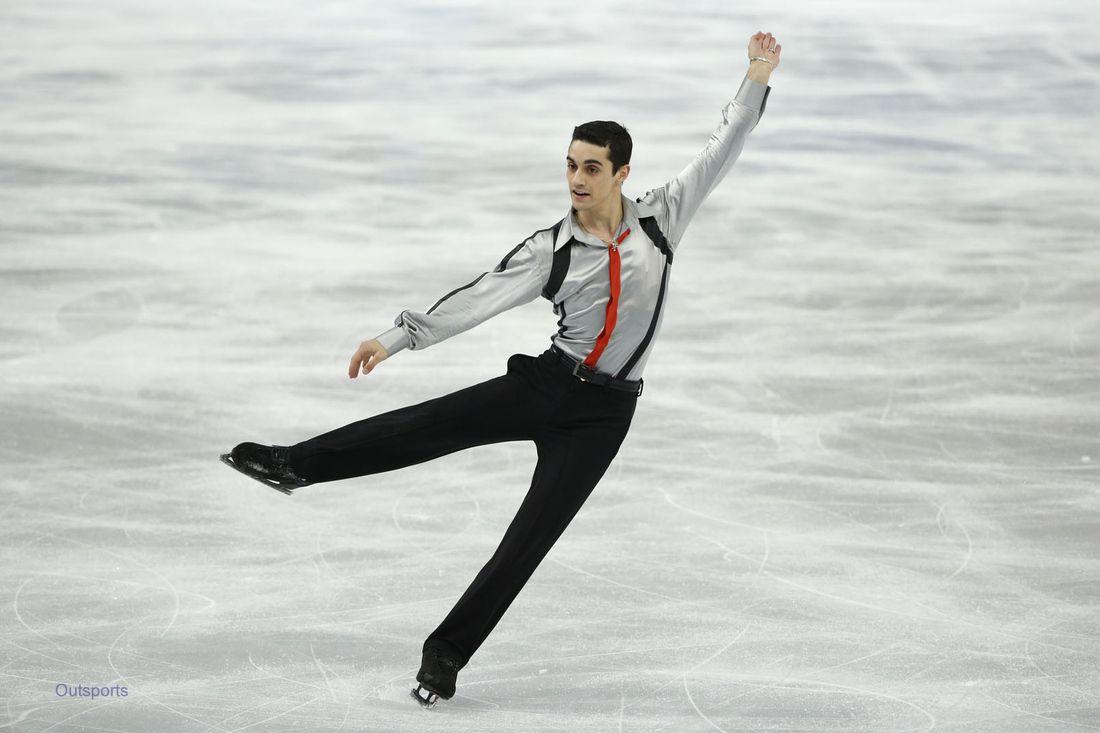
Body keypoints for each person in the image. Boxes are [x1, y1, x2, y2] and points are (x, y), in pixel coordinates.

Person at [222, 31, 781, 707]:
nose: (577, 178)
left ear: (623, 173)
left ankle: (444, 656)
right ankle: (295, 463)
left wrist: (755, 74)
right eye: (571, 164)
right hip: (545, 385)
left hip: (604, 417)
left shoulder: (665, 215)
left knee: (527, 542)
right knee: (422, 426)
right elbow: (479, 297)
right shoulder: (552, 248)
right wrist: (396, 337)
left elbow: (725, 145)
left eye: (593, 167)